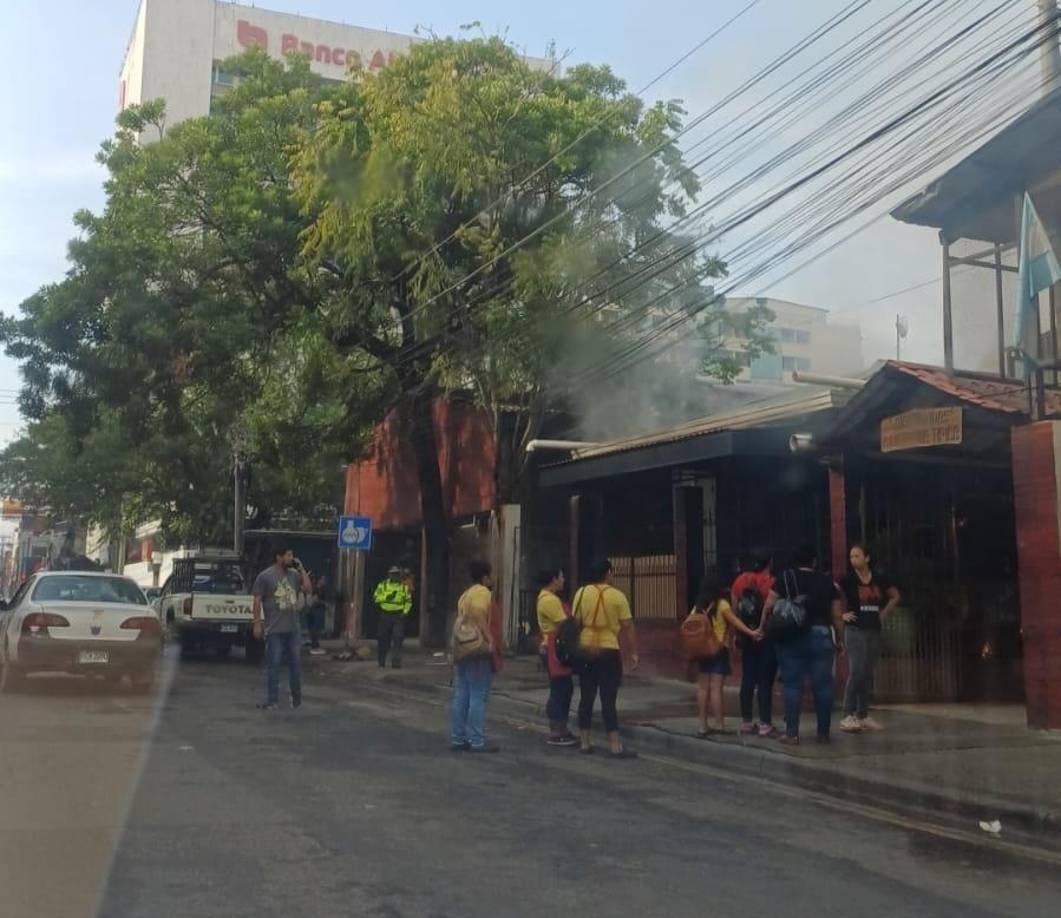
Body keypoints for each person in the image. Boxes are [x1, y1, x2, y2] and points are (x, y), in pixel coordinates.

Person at [762, 547, 844, 745]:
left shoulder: (785, 578)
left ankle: (792, 734)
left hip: (792, 636)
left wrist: (762, 627)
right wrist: (840, 639)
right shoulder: (826, 581)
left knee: (792, 685)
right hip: (821, 634)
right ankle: (823, 733)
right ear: (814, 561)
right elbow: (837, 615)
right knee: (823, 686)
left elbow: (769, 605)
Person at [571, 558, 639, 758]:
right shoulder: (617, 596)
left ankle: (585, 742)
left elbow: (576, 622)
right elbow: (628, 627)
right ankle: (615, 745)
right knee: (608, 699)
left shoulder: (581, 593)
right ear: (608, 573)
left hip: (586, 648)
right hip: (609, 649)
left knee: (586, 696)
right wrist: (633, 652)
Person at [688, 575, 761, 737]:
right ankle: (719, 724)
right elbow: (734, 621)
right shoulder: (721, 604)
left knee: (702, 688)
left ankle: (702, 725)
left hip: (702, 650)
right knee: (716, 689)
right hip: (717, 649)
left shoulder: (698, 606)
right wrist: (751, 632)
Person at [840, 543, 901, 734]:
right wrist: (841, 614)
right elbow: (832, 594)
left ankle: (863, 714)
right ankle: (847, 714)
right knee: (857, 670)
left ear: (867, 558)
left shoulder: (879, 577)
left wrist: (883, 614)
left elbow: (895, 596)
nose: (853, 560)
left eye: (857, 556)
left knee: (867, 673)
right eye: (851, 556)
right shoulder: (848, 579)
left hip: (873, 629)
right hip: (855, 630)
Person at [450, 561, 503, 753]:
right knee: (477, 696)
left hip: (463, 647)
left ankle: (458, 738)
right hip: (477, 648)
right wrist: (490, 639)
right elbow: (478, 613)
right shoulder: (482, 592)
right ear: (485, 577)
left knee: (462, 694)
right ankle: (477, 740)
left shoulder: (466, 594)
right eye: (490, 576)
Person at [252, 546, 312, 710]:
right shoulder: (265, 576)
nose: (292, 558)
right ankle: (273, 700)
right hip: (275, 629)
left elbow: (308, 589)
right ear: (278, 557)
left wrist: (301, 569)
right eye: (288, 555)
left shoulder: (294, 575)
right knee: (275, 663)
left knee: (296, 664)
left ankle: (296, 698)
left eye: (292, 555)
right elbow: (257, 600)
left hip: (293, 628)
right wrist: (257, 623)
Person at [731, 552, 780, 738]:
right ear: (770, 562)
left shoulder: (740, 581)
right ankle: (765, 723)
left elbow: (735, 610)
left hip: (747, 636)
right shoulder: (772, 582)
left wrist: (739, 633)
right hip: (767, 636)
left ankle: (746, 722)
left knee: (748, 679)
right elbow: (774, 610)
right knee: (765, 681)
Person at [536, 567, 577, 747]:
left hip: (553, 647)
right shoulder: (549, 600)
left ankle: (561, 728)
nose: (563, 580)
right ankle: (556, 730)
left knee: (563, 687)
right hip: (554, 648)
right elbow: (564, 624)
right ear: (553, 579)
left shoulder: (548, 598)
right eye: (561, 576)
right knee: (561, 688)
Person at [374, 565, 413, 669]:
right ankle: (381, 662)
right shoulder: (383, 585)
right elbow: (376, 597)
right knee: (382, 638)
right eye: (393, 574)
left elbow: (408, 601)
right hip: (385, 614)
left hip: (398, 616)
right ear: (389, 575)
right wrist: (386, 597)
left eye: (396, 574)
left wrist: (405, 612)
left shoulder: (404, 587)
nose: (395, 576)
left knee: (398, 638)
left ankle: (396, 662)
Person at [305, 576, 328, 656]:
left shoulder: (320, 589)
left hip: (314, 610)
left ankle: (315, 645)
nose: (324, 581)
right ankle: (314, 646)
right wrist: (324, 603)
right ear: (319, 580)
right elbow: (314, 600)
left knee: (314, 629)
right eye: (323, 579)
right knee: (315, 629)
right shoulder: (316, 589)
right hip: (315, 610)